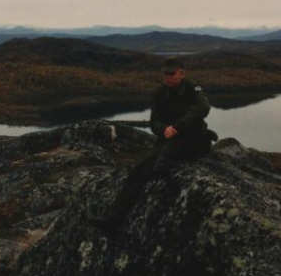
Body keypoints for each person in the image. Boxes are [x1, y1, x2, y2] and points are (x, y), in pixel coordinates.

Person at [91, 57, 216, 230]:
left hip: (192, 138)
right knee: (138, 171)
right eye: (165, 74)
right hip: (169, 139)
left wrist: (177, 127)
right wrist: (163, 129)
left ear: (182, 73)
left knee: (159, 166)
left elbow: (203, 108)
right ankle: (114, 219)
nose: (167, 77)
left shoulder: (193, 88)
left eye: (171, 74)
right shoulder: (159, 93)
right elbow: (154, 121)